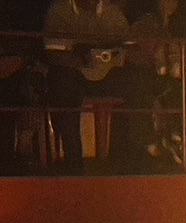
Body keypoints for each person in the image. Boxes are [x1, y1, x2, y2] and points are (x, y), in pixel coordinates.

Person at [43, 0, 151, 172]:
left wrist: (119, 55)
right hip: (75, 75)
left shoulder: (112, 14)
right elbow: (53, 54)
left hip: (107, 76)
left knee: (137, 80)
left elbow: (133, 51)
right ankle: (73, 161)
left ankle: (136, 153)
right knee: (60, 83)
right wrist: (83, 59)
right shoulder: (59, 12)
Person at [128, 0, 186, 167]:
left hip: (179, 78)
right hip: (152, 78)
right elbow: (145, 57)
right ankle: (174, 140)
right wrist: (163, 64)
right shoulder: (146, 24)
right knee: (174, 90)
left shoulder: (184, 24)